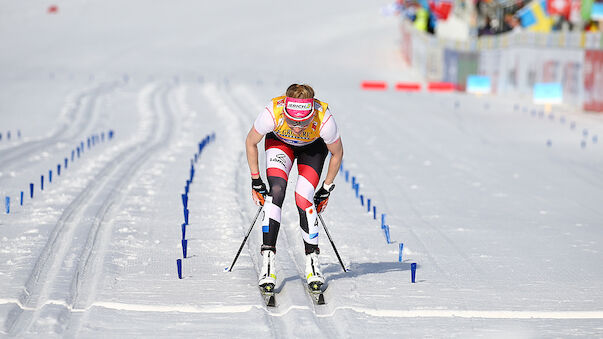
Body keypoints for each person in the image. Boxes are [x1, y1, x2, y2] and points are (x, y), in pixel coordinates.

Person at [245, 83, 343, 292]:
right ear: (285, 113)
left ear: (311, 115)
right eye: (291, 121)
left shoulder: (324, 119)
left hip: (313, 149)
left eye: (304, 122)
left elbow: (337, 153)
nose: (297, 127)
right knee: (277, 190)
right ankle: (268, 262)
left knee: (304, 197)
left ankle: (312, 262)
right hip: (280, 144)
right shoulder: (272, 112)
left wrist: (326, 188)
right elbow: (251, 142)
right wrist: (256, 180)